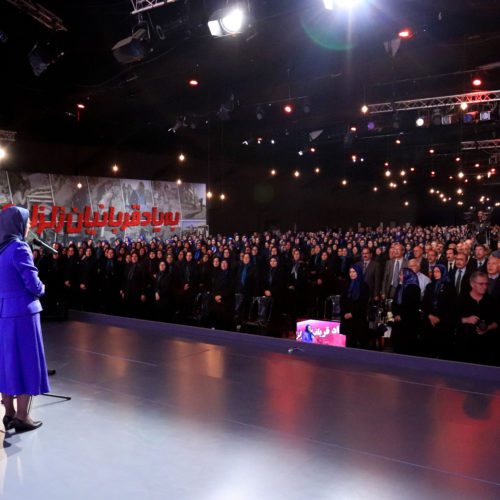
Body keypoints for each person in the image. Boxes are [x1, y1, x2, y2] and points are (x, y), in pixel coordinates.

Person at [0, 206, 49, 432]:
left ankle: (8, 414)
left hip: (3, 313)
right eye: (27, 221)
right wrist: (42, 287)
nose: (29, 225)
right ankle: (22, 417)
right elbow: (33, 284)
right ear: (18, 224)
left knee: (7, 362)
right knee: (27, 362)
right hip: (22, 314)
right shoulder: (19, 247)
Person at [421, 264, 456, 358]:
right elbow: (424, 303)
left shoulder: (450, 287)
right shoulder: (429, 286)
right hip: (429, 320)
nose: (435, 274)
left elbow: (451, 306)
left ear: (443, 272)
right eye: (434, 271)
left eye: (438, 271)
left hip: (444, 322)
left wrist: (439, 317)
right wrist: (430, 315)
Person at [391, 268, 421, 354]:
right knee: (397, 345)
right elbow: (395, 302)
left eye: (401, 274)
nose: (399, 276)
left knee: (408, 347)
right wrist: (396, 314)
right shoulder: (400, 287)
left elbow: (412, 305)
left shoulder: (414, 288)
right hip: (398, 320)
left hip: (409, 321)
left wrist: (402, 315)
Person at [340, 265, 369, 348]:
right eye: (350, 272)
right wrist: (345, 313)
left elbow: (363, 303)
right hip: (347, 319)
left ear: (358, 273)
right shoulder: (347, 285)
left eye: (354, 272)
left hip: (358, 319)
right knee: (349, 343)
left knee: (361, 344)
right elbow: (342, 300)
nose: (351, 274)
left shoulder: (364, 286)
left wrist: (352, 313)